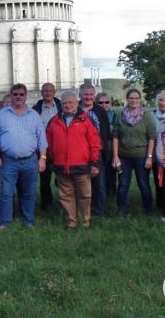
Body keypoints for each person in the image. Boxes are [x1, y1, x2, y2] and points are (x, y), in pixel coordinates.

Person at [0, 84, 48, 231]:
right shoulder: (2, 114)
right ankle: (4, 223)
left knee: (29, 193)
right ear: (11, 95)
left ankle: (28, 221)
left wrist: (42, 158)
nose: (18, 97)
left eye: (21, 94)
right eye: (15, 94)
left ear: (25, 96)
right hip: (9, 160)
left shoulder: (34, 115)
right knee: (6, 193)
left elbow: (42, 140)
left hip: (30, 160)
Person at [46, 92, 101, 229]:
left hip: (82, 166)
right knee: (65, 196)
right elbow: (49, 143)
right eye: (64, 103)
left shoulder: (86, 120)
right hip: (61, 166)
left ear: (77, 103)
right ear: (61, 105)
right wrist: (51, 160)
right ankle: (71, 222)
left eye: (70, 102)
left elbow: (95, 143)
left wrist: (94, 163)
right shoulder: (54, 121)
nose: (67, 105)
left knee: (84, 195)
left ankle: (84, 222)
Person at [112, 88, 156, 216]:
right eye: (131, 98)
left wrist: (149, 157)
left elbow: (152, 137)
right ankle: (122, 210)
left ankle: (148, 209)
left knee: (143, 182)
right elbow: (115, 136)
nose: (134, 100)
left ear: (140, 99)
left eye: (136, 98)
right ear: (127, 99)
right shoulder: (120, 115)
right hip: (123, 156)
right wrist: (115, 157)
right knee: (123, 183)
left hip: (141, 156)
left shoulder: (147, 115)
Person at [79, 83, 111, 217]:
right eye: (85, 94)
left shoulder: (100, 111)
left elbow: (106, 132)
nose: (88, 97)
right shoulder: (74, 109)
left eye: (91, 94)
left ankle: (100, 211)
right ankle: (83, 210)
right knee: (81, 185)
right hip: (79, 154)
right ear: (80, 95)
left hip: (97, 153)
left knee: (100, 185)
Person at [32, 82, 61, 212]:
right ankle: (46, 204)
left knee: (62, 177)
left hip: (59, 148)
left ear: (54, 92)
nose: (48, 93)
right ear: (41, 93)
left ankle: (64, 203)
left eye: (50, 91)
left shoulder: (61, 106)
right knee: (44, 179)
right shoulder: (36, 109)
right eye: (45, 91)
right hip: (43, 148)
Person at [95, 92, 117, 203]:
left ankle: (111, 196)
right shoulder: (94, 114)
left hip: (110, 147)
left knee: (111, 173)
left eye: (107, 102)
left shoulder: (114, 115)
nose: (104, 104)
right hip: (98, 147)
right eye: (101, 102)